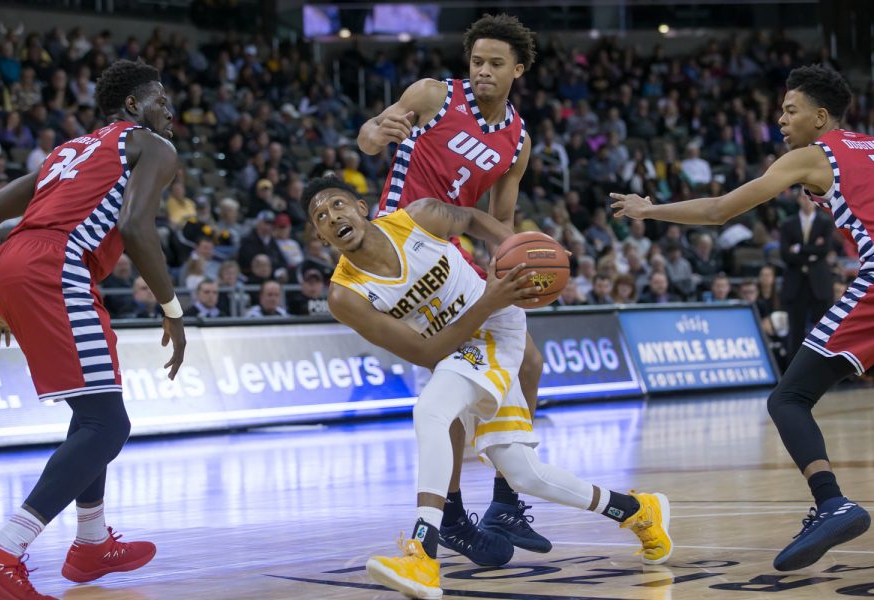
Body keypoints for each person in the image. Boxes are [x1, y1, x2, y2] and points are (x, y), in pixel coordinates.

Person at [305, 177, 671, 600]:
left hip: (497, 329)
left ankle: (422, 553)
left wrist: (527, 245)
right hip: (456, 347)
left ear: (361, 207)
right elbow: (427, 354)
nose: (332, 216)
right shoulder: (344, 295)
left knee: (431, 412)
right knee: (524, 474)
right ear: (320, 236)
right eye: (321, 216)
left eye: (337, 204)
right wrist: (489, 300)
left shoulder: (420, 217)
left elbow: (476, 219)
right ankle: (639, 511)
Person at [611, 64, 871, 571]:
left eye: (790, 111)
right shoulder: (868, 145)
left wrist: (649, 210)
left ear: (820, 118)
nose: (780, 120)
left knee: (788, 398)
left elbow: (719, 210)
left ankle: (831, 502)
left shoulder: (813, 156)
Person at [0, 59, 186, 600]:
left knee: (93, 412)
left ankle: (91, 544)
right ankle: (1, 550)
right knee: (108, 425)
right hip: (57, 266)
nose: (171, 109)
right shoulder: (151, 145)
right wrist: (172, 307)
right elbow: (134, 226)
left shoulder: (67, 151)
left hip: (18, 261)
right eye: (162, 99)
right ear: (134, 106)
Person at [357, 14, 550, 563]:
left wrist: (518, 268)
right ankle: (456, 512)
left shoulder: (518, 140)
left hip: (458, 249)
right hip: (407, 241)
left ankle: (500, 502)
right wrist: (379, 131)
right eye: (477, 62)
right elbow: (371, 136)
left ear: (518, 69)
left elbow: (502, 223)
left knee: (528, 364)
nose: (484, 71)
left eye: (495, 64)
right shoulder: (434, 94)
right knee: (454, 377)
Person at [780, 191, 834, 358]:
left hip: (819, 282)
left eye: (810, 197)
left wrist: (799, 248)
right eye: (804, 196)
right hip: (796, 283)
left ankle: (824, 373)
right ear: (798, 199)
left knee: (824, 331)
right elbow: (785, 254)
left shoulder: (825, 222)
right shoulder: (788, 224)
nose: (807, 200)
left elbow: (824, 250)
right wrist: (812, 252)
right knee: (796, 331)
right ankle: (793, 377)